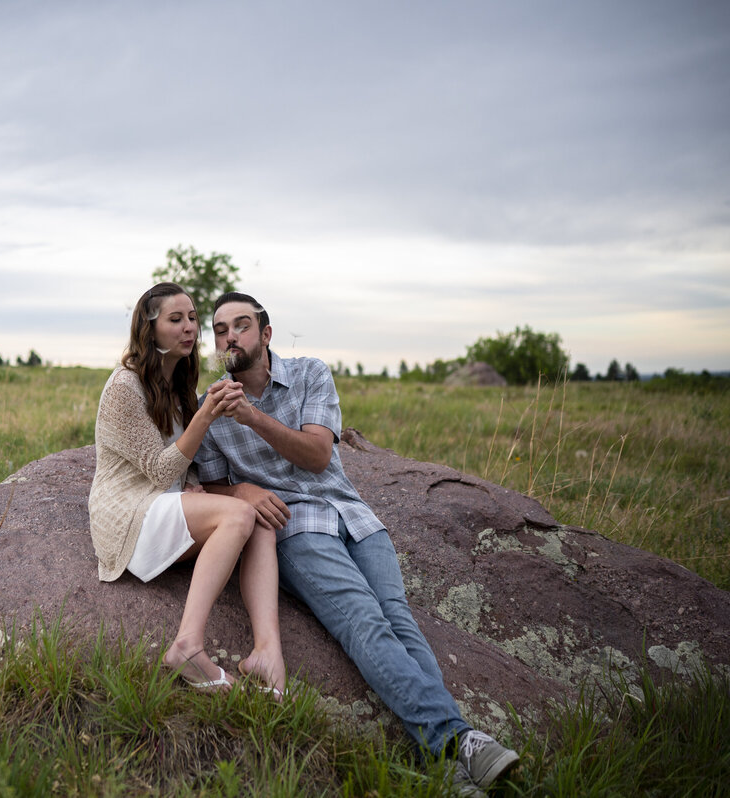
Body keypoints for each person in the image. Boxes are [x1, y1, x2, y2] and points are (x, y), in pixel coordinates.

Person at [194, 291, 520, 796]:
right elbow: (210, 486)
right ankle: (460, 744)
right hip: (297, 526)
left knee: (398, 619)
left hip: (355, 518)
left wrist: (254, 418)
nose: (229, 336)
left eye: (241, 325)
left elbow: (319, 454)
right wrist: (242, 489)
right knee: (363, 621)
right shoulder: (210, 407)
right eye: (220, 329)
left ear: (266, 334)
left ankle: (445, 769)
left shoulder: (310, 374)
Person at [88, 282, 286, 697]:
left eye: (193, 319)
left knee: (262, 522)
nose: (190, 328)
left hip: (165, 506)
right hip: (129, 516)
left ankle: (268, 654)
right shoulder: (124, 387)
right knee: (238, 513)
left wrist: (196, 486)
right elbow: (160, 471)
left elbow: (184, 468)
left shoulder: (179, 382)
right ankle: (187, 647)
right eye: (175, 320)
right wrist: (206, 415)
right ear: (149, 328)